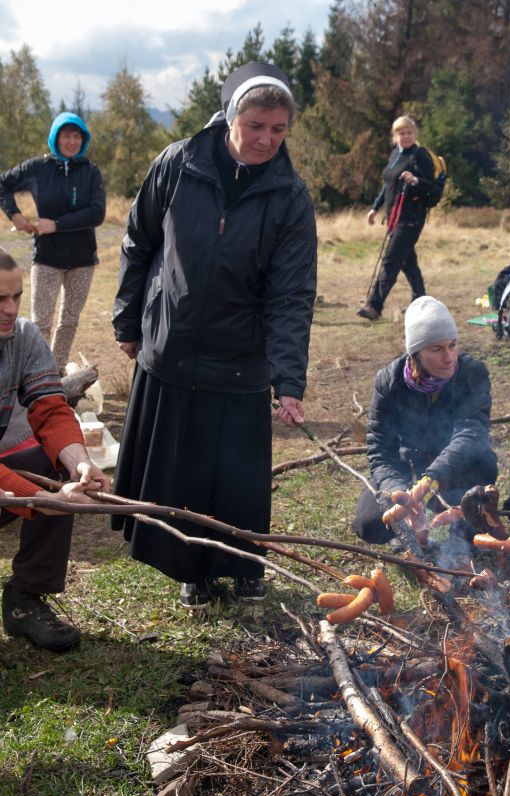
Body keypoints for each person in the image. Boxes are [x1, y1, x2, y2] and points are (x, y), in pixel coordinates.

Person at [111, 62, 317, 609]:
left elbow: (292, 293)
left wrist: (288, 378)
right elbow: (139, 242)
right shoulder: (179, 164)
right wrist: (129, 321)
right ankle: (191, 567)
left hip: (241, 358)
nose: (266, 139)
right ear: (231, 118)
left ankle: (244, 562)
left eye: (278, 130)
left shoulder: (289, 197)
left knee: (239, 476)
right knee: (185, 466)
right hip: (173, 344)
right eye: (256, 126)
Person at [0, 248, 111, 651]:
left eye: (16, 296)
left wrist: (80, 462)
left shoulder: (25, 337)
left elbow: (50, 409)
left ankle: (25, 599)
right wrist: (37, 499)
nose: (11, 309)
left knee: (57, 467)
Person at [353, 296, 498, 543]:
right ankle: (407, 532)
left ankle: (458, 527)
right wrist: (400, 493)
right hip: (408, 467)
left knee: (471, 518)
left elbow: (470, 433)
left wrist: (430, 481)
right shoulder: (389, 382)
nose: (449, 357)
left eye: (453, 345)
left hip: (458, 468)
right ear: (416, 353)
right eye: (437, 349)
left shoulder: (472, 373)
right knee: (369, 525)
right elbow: (380, 448)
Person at [0, 111, 106, 371]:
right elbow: (2, 184)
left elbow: (97, 213)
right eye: (66, 135)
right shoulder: (38, 168)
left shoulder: (90, 171)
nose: (71, 141)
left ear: (84, 139)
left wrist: (56, 225)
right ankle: (34, 372)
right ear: (55, 138)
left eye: (77, 136)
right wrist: (15, 215)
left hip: (82, 259)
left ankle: (55, 372)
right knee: (40, 323)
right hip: (47, 257)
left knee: (69, 322)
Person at [358, 115, 438, 321]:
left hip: (411, 218)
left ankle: (374, 306)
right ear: (395, 136)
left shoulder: (420, 156)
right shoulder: (396, 154)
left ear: (415, 134)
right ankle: (421, 299)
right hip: (394, 217)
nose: (406, 136)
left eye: (409, 132)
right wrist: (375, 208)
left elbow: (431, 186)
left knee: (391, 260)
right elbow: (388, 185)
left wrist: (415, 180)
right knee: (407, 261)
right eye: (402, 133)